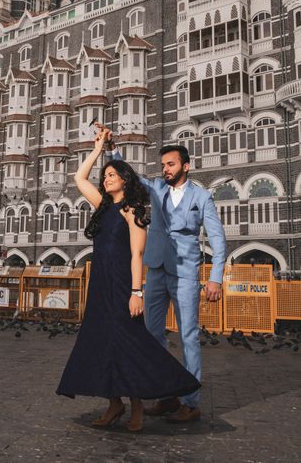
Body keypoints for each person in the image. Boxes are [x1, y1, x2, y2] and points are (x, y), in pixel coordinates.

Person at [57, 128, 199, 432]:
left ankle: (136, 403)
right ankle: (114, 403)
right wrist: (97, 149)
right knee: (100, 342)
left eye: (112, 174)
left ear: (125, 180)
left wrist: (137, 292)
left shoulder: (132, 211)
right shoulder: (103, 206)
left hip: (123, 284)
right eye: (105, 175)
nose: (106, 178)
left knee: (128, 344)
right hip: (99, 284)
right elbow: (80, 179)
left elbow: (137, 255)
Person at [100, 123, 226, 424]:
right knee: (152, 334)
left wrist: (216, 277)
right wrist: (112, 148)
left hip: (184, 273)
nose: (165, 169)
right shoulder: (156, 188)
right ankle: (166, 394)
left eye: (170, 164)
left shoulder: (202, 197)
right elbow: (131, 177)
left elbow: (218, 240)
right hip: (155, 270)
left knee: (188, 336)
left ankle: (191, 402)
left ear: (186, 165)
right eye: (163, 165)